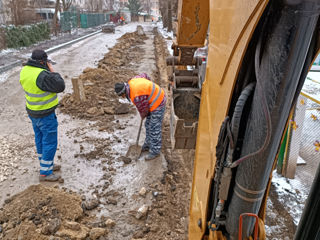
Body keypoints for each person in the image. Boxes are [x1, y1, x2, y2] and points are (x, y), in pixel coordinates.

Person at [19, 49, 65, 182]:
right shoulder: (42, 75)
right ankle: (45, 173)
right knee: (49, 141)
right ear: (42, 61)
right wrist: (51, 69)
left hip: (33, 112)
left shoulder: (25, 70)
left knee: (40, 139)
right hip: (45, 114)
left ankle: (45, 164)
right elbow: (60, 85)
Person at [114, 74, 166, 160]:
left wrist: (143, 115)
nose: (123, 97)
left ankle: (155, 151)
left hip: (158, 102)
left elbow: (144, 109)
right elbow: (145, 76)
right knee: (148, 124)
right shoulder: (132, 81)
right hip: (153, 99)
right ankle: (148, 144)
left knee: (154, 127)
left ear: (123, 93)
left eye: (122, 96)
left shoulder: (136, 95)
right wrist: (147, 89)